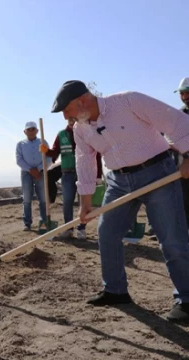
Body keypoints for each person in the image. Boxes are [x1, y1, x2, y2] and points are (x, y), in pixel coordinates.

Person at [51, 80, 189, 322]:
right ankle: (115, 290)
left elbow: (176, 122)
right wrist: (85, 202)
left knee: (172, 238)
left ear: (82, 101)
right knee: (107, 232)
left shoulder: (129, 101)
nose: (66, 117)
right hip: (118, 181)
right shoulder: (80, 129)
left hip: (158, 172)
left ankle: (187, 299)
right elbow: (85, 161)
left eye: (67, 110)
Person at [39, 118, 104, 240]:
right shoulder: (61, 135)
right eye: (69, 119)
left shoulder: (86, 132)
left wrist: (98, 175)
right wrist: (46, 151)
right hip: (67, 173)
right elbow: (55, 152)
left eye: (74, 119)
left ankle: (81, 228)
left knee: (83, 203)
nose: (71, 121)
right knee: (67, 202)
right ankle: (68, 229)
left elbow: (97, 154)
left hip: (84, 173)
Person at [146, 77, 189, 239]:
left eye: (187, 93)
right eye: (182, 93)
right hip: (183, 168)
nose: (184, 96)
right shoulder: (179, 115)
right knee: (181, 201)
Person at [15, 121, 51, 231]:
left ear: (37, 131)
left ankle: (44, 222)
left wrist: (39, 169)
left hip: (41, 173)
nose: (31, 131)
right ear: (25, 131)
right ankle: (27, 223)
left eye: (33, 129)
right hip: (26, 173)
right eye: (28, 129)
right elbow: (19, 160)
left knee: (43, 198)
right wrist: (31, 170)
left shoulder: (43, 142)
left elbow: (48, 158)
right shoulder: (20, 144)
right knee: (26, 198)